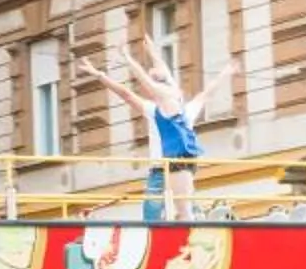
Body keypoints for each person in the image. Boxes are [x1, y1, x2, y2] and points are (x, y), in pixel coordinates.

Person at [79, 39, 234, 212]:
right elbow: (205, 93)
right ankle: (196, 221)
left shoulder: (156, 109)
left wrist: (105, 72)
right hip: (180, 166)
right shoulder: (185, 109)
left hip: (162, 170)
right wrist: (225, 74)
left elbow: (128, 94)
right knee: (187, 208)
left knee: (156, 215)